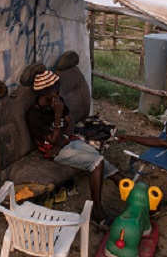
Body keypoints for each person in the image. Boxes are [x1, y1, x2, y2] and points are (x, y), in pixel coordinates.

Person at [26, 70, 123, 228]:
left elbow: (70, 122)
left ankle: (132, 192)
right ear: (47, 93)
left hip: (66, 142)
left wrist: (64, 139)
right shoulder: (33, 115)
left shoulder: (57, 101)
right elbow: (52, 140)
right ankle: (97, 213)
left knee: (102, 161)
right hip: (53, 152)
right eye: (56, 90)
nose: (59, 92)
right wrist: (57, 116)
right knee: (96, 162)